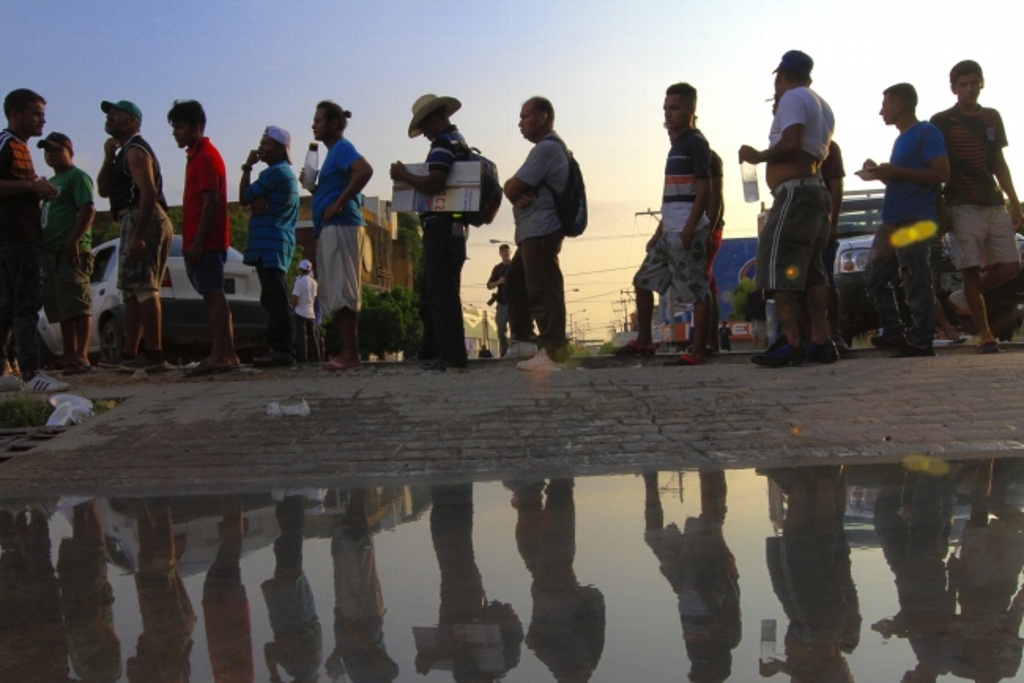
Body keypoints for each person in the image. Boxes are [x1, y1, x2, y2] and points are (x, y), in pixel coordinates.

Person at [739, 50, 836, 367]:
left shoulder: (793, 97)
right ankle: (820, 341)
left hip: (795, 193)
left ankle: (791, 341)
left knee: (776, 261)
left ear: (781, 76)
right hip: (814, 190)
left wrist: (760, 156)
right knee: (812, 270)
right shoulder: (822, 105)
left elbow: (792, 141)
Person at [931, 60, 1022, 354]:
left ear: (982, 83)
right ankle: (985, 335)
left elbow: (998, 162)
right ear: (954, 89)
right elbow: (936, 165)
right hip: (960, 203)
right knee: (970, 269)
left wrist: (1015, 201)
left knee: (1010, 264)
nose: (969, 89)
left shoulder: (991, 118)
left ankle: (965, 298)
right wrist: (940, 209)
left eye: (973, 83)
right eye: (963, 84)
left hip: (992, 200)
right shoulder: (942, 121)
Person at [621, 83, 712, 367]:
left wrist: (689, 228)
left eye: (674, 108)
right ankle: (646, 340)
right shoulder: (676, 145)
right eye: (666, 108)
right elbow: (671, 196)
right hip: (668, 231)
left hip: (688, 231)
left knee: (696, 289)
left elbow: (705, 189)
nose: (668, 114)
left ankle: (698, 351)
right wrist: (659, 232)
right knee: (642, 280)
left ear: (690, 110)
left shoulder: (696, 143)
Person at [858, 83, 949, 357]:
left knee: (915, 277)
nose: (881, 111)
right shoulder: (901, 139)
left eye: (885, 105)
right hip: (893, 219)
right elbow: (903, 178)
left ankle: (922, 340)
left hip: (915, 219)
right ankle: (893, 331)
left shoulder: (926, 132)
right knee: (875, 276)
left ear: (899, 105)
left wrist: (894, 171)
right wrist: (882, 173)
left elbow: (941, 173)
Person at [389, 94, 469, 373]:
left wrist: (402, 175)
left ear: (434, 119)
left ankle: (450, 356)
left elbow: (434, 182)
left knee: (441, 293)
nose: (423, 134)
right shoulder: (458, 140)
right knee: (433, 292)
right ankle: (431, 349)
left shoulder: (443, 144)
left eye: (424, 127)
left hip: (441, 228)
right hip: (453, 228)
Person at [96, 99, 174, 372]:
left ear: (131, 120)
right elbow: (104, 191)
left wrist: (139, 236)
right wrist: (108, 156)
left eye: (116, 113)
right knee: (130, 289)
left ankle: (154, 353)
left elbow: (149, 192)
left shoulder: (137, 150)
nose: (110, 117)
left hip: (144, 216)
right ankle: (130, 353)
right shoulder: (123, 152)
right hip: (131, 216)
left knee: (143, 286)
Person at [0, 88, 66, 393]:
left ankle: (7, 371)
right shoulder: (6, 143)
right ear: (16, 114)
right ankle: (31, 373)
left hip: (21, 234)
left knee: (10, 305)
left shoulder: (20, 148)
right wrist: (30, 185)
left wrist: (37, 189)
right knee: (26, 304)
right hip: (14, 237)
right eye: (35, 113)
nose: (42, 120)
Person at [167, 100, 239, 376]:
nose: (176, 133)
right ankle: (227, 354)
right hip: (204, 239)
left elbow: (211, 202)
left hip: (207, 241)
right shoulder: (197, 156)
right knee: (214, 296)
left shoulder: (206, 157)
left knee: (214, 295)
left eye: (181, 127)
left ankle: (219, 355)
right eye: (174, 128)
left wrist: (197, 241)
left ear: (196, 128)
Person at [503, 96, 573, 372]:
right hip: (532, 230)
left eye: (525, 117)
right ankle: (524, 341)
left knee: (543, 289)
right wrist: (515, 191)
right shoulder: (546, 149)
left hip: (542, 229)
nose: (520, 123)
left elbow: (509, 188)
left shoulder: (546, 149)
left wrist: (515, 191)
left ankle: (554, 352)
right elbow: (512, 190)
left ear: (543, 117)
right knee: (516, 282)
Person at [309, 100, 373, 372]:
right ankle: (347, 352)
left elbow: (365, 170)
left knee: (344, 289)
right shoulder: (333, 154)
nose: (314, 125)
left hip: (341, 225)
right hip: (332, 227)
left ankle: (350, 355)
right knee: (336, 288)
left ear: (333, 124)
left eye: (319, 120)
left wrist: (337, 204)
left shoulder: (343, 148)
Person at [240, 126, 299, 367]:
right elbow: (249, 199)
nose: (261, 149)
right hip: (272, 244)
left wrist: (247, 168)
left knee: (276, 298)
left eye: (266, 144)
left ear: (281, 149)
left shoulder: (275, 173)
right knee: (272, 297)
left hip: (271, 243)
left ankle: (282, 349)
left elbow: (244, 196)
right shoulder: (279, 174)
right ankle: (279, 347)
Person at [38, 132, 96, 375]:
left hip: (72, 249)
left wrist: (74, 240)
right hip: (52, 251)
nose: (50, 154)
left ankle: (81, 355)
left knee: (77, 301)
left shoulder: (77, 177)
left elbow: (87, 209)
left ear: (69, 151)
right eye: (47, 150)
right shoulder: (51, 182)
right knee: (62, 305)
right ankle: (68, 353)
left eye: (55, 149)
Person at [821, 140, 849, 354]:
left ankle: (835, 333)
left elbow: (836, 185)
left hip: (821, 220)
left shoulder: (827, 146)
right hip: (795, 219)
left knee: (826, 276)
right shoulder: (781, 142)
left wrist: (833, 220)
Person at [706, 150, 726, 354]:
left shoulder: (708, 157)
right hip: (685, 226)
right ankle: (710, 342)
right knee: (707, 282)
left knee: (704, 280)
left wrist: (709, 229)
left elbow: (716, 196)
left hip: (706, 227)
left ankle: (710, 341)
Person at [291, 259, 320, 363]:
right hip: (311, 313)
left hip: (300, 312)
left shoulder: (299, 282)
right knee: (312, 336)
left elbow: (295, 298)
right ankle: (316, 357)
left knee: (301, 337)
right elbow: (315, 298)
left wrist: (293, 306)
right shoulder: (314, 283)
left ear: (300, 269)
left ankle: (303, 358)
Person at [486, 243, 512, 357]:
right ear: (500, 254)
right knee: (501, 328)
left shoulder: (516, 265)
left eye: (507, 251)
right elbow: (489, 285)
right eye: (503, 251)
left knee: (516, 328)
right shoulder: (498, 268)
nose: (505, 253)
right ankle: (504, 351)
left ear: (510, 252)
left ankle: (516, 351)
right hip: (502, 303)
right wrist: (499, 282)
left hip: (515, 302)